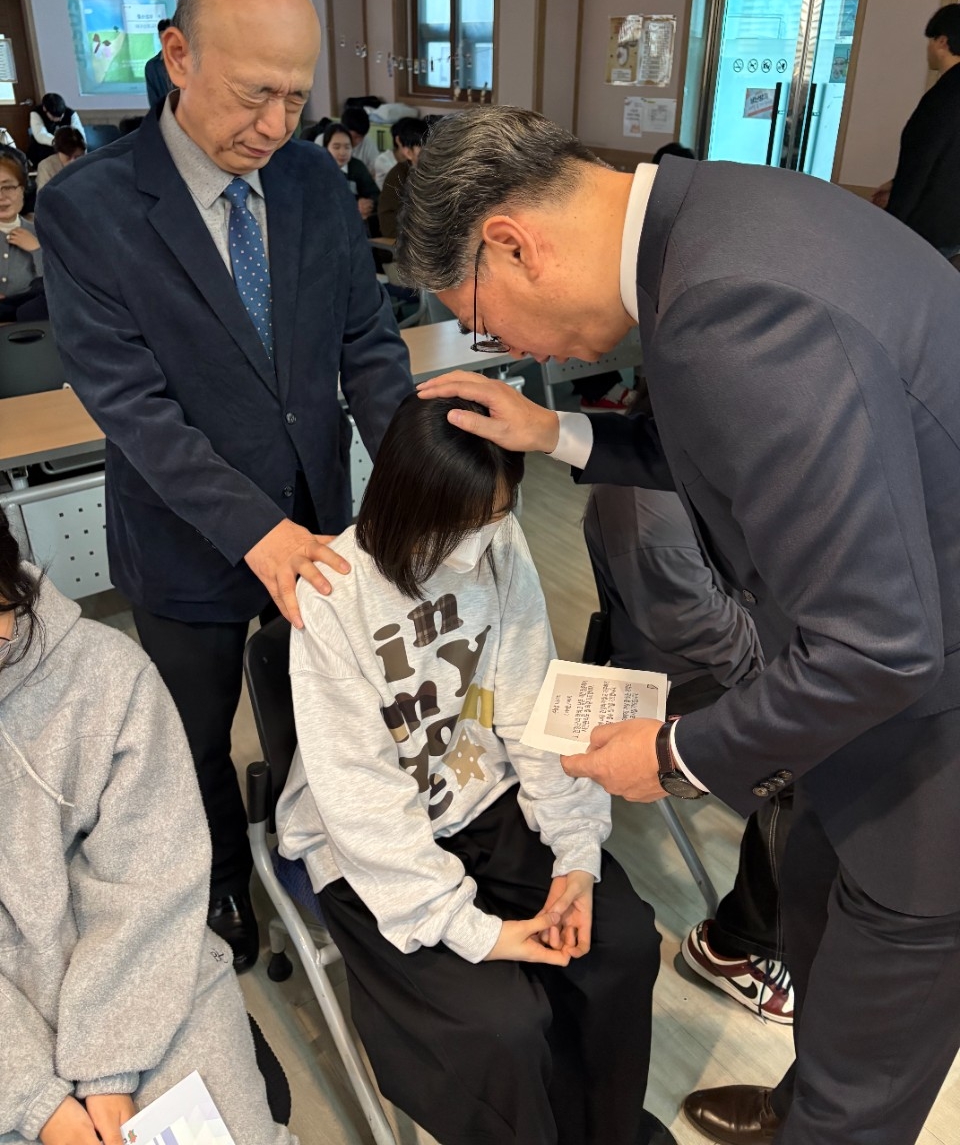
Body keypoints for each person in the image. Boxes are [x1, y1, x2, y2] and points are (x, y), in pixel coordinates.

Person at [401, 106, 960, 1145]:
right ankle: (801, 1103)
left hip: (931, 751)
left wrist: (672, 753)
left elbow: (879, 646)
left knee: (863, 1091)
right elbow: (722, 446)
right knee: (821, 948)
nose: (507, 348)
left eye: (485, 321)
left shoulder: (729, 304)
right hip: (865, 717)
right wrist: (557, 431)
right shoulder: (713, 221)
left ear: (513, 244)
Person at [36, 0, 412, 978]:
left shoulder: (312, 182)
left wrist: (417, 478)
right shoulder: (89, 208)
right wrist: (254, 530)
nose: (276, 124)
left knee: (321, 712)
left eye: (297, 96)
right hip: (185, 539)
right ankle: (215, 875)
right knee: (191, 735)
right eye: (254, 94)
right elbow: (134, 408)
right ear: (179, 55)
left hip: (319, 516)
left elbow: (367, 344)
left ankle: (317, 850)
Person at [277, 392, 672, 1145]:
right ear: (410, 503)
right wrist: (475, 932)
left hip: (480, 794)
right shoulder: (334, 594)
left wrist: (575, 855)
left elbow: (529, 704)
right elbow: (362, 800)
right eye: (464, 524)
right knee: (502, 1027)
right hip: (373, 847)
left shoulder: (498, 539)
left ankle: (608, 1132)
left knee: (619, 942)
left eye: (495, 515)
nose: (480, 542)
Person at [0, 511, 296, 1145]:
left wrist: (107, 1069)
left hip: (146, 970)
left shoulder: (107, 673)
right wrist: (35, 1102)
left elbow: (153, 880)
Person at [585, 479, 795, 1026]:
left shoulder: (703, 455)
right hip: (681, 675)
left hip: (735, 643)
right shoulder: (644, 498)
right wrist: (793, 679)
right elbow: (700, 624)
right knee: (806, 756)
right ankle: (735, 948)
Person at [872, 3, 960, 261]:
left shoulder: (943, 96)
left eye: (931, 40)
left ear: (942, 42)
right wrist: (895, 183)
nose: (928, 48)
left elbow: (922, 161)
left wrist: (894, 221)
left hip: (927, 225)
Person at [0, 147, 42, 298]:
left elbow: (57, 285)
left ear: (22, 189)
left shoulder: (40, 233)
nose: (1, 197)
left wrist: (37, 250)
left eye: (8, 187)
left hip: (29, 312)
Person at [377, 118, 428, 240]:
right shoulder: (398, 176)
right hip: (404, 239)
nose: (430, 155)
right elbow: (388, 226)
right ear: (408, 153)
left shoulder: (436, 173)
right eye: (423, 151)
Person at [320, 120, 380, 224]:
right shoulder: (317, 169)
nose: (342, 152)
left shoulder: (357, 167)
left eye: (347, 147)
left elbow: (376, 195)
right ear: (325, 148)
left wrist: (369, 204)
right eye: (336, 147)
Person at [28, 93, 84, 168]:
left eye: (61, 115)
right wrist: (60, 143)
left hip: (68, 147)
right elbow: (40, 134)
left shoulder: (71, 113)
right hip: (45, 147)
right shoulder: (36, 113)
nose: (59, 119)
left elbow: (79, 133)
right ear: (44, 109)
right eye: (54, 117)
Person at [372, 115, 428, 189]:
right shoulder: (383, 161)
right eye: (418, 145)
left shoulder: (416, 159)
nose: (423, 149)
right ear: (398, 140)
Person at [36, 127, 86, 191]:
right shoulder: (46, 167)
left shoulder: (90, 163)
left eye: (77, 157)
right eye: (68, 157)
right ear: (58, 152)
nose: (73, 161)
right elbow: (44, 195)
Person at [145, 18, 175, 109]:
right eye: (164, 35)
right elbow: (153, 99)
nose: (167, 39)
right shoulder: (152, 66)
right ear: (159, 36)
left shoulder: (186, 61)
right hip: (164, 113)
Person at [340, 104, 379, 174]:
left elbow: (376, 171)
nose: (358, 141)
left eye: (361, 137)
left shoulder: (369, 145)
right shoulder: (324, 140)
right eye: (355, 137)